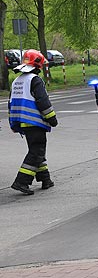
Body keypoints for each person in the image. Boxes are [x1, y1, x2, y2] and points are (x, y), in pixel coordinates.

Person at [9, 49, 58, 195]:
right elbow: (43, 102)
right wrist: (52, 119)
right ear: (38, 65)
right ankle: (21, 182)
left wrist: (14, 124)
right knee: (36, 152)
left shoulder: (17, 81)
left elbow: (11, 103)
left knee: (37, 151)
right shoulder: (35, 80)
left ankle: (45, 179)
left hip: (23, 123)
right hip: (35, 122)